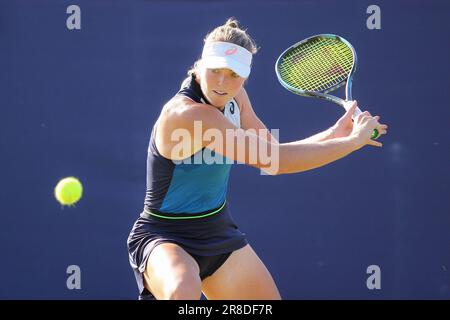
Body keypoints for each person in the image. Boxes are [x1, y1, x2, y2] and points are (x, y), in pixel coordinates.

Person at [127, 18, 388, 300]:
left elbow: (273, 150)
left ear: (246, 77)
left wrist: (336, 132)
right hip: (165, 235)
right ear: (200, 64)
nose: (222, 83)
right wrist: (351, 142)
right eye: (215, 70)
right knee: (182, 292)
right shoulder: (188, 114)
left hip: (216, 229)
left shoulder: (237, 99)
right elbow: (275, 161)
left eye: (234, 75)